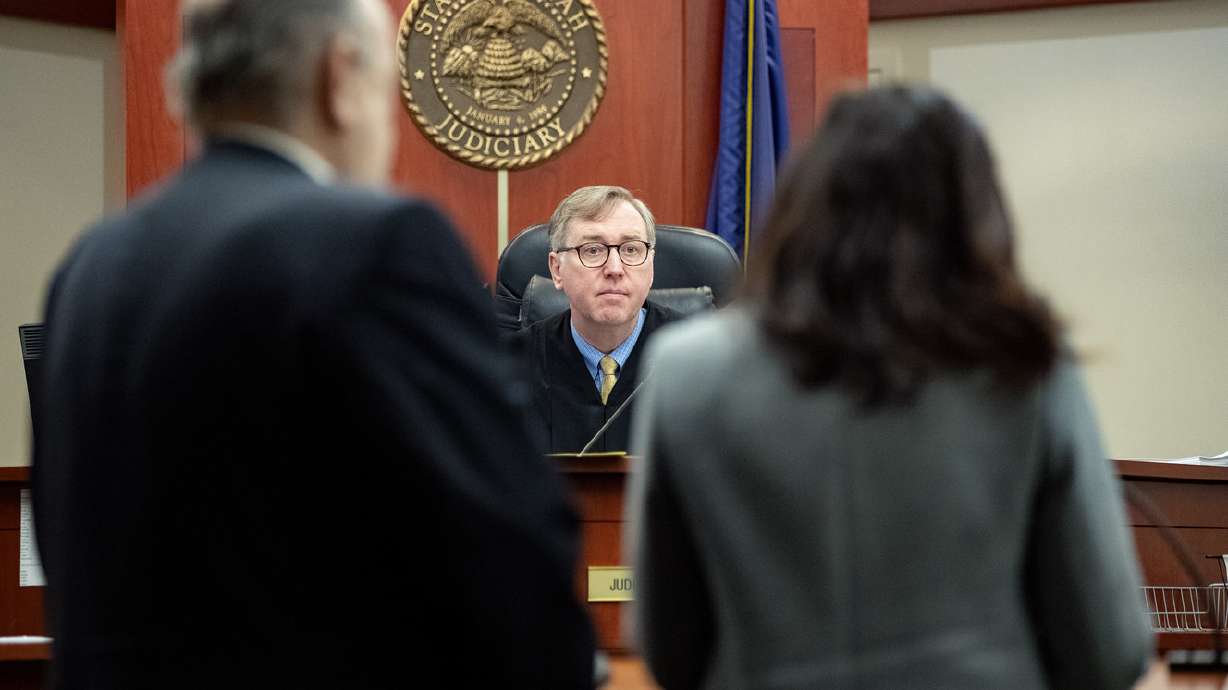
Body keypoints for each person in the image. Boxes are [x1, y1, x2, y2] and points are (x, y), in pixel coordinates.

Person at [32, 1, 593, 688]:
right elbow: (508, 552)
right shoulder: (375, 241)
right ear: (339, 75)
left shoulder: (93, 262)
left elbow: (69, 537)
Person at [626, 86, 1152, 689]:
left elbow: (670, 649)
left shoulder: (686, 371)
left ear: (802, 203)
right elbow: (1107, 652)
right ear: (973, 213)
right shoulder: (1025, 362)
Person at [510, 186, 683, 453]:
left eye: (631, 250)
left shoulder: (701, 362)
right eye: (592, 250)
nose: (615, 269)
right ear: (557, 269)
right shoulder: (509, 367)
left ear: (651, 265)